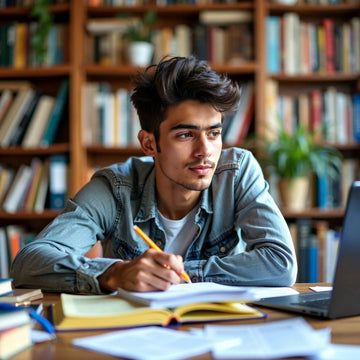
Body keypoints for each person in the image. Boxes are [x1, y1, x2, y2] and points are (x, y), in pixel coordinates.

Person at [11, 56, 297, 294]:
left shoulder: (236, 172)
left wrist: (183, 274)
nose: (205, 151)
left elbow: (281, 263)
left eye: (214, 133)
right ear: (149, 143)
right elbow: (29, 262)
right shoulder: (115, 187)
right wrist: (115, 274)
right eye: (185, 135)